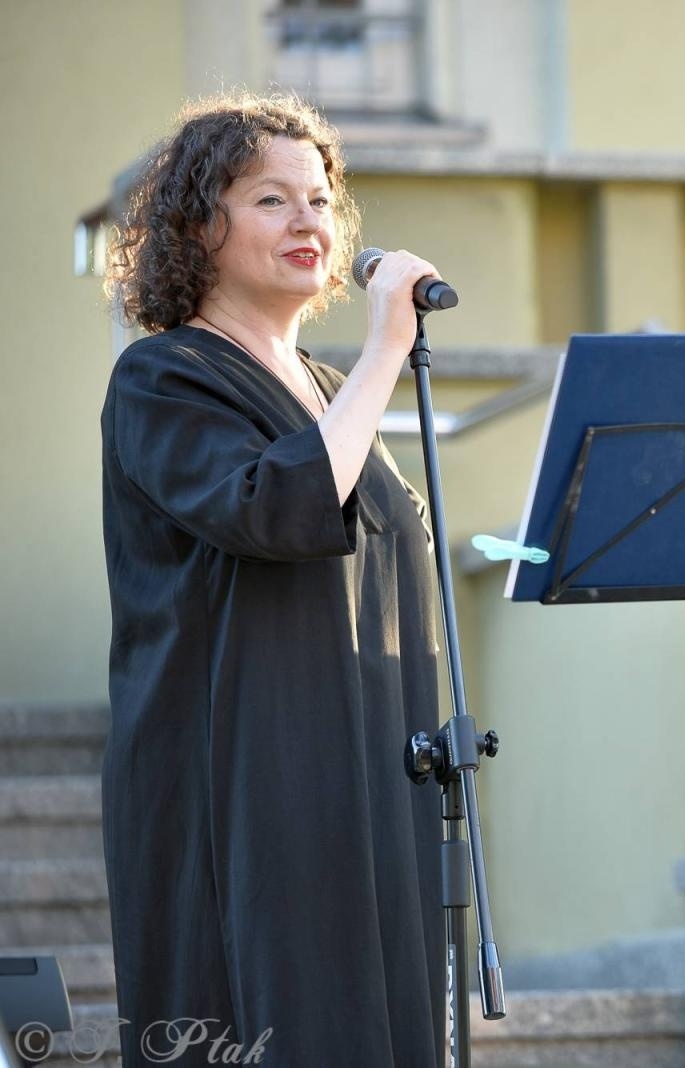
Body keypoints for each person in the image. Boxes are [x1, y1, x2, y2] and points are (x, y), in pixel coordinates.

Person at [100, 92, 447, 1066]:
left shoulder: (333, 394)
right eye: (270, 200)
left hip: (363, 768)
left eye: (321, 199)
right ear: (196, 227)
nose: (309, 222)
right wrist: (388, 347)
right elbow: (269, 509)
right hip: (239, 775)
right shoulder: (163, 378)